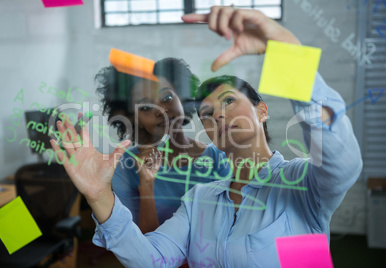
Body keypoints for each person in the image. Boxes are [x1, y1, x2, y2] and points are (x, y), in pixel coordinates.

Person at [51, 6, 363, 267]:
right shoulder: (198, 200)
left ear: (262, 110)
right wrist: (98, 195)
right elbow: (151, 258)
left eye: (229, 101)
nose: (219, 115)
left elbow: (340, 160)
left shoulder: (302, 185)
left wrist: (291, 57)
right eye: (207, 114)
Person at [94, 58, 229, 233]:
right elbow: (142, 243)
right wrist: (147, 184)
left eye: (167, 97)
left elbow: (229, 227)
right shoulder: (126, 166)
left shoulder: (219, 157)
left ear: (181, 97)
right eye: (145, 108)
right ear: (135, 119)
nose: (160, 110)